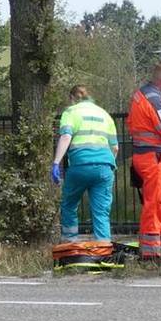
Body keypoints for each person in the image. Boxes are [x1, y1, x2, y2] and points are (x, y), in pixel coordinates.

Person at [50, 85, 119, 246]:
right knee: (101, 211)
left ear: (72, 98)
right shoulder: (104, 114)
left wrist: (56, 162)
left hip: (80, 165)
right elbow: (115, 147)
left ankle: (70, 244)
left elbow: (66, 137)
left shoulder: (71, 112)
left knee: (69, 205)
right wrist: (109, 165)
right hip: (104, 167)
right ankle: (103, 249)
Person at [127, 62, 161, 260]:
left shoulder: (144, 95)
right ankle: (151, 253)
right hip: (154, 158)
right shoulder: (155, 99)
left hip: (151, 156)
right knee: (156, 204)